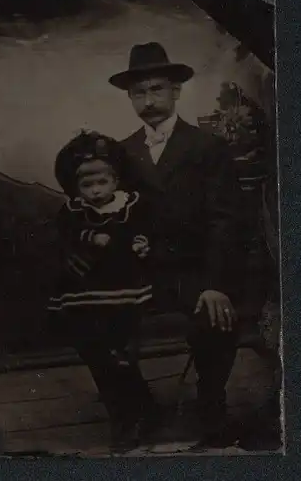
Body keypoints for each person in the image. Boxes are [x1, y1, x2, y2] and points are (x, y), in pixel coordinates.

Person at [109, 42, 241, 448]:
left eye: (156, 90)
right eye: (139, 93)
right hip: (142, 271)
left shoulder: (207, 148)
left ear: (176, 91)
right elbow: (115, 214)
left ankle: (211, 402)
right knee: (90, 317)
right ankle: (137, 408)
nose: (148, 101)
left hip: (194, 269)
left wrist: (216, 282)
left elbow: (226, 221)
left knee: (213, 315)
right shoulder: (121, 152)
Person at [47, 130, 158, 450]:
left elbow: (145, 230)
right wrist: (88, 239)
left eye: (102, 183)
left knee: (121, 350)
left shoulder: (131, 206)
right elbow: (64, 239)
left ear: (116, 180)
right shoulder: (73, 212)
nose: (95, 191)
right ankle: (124, 412)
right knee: (96, 349)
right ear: (76, 186)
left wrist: (141, 244)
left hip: (123, 289)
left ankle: (137, 412)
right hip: (83, 291)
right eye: (87, 185)